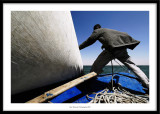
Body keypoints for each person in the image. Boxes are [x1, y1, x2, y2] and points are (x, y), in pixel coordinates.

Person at [79, 24, 149, 90]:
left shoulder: (97, 30)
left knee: (96, 65)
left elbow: (90, 40)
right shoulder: (108, 30)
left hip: (111, 50)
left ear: (96, 29)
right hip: (122, 49)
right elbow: (112, 38)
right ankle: (148, 84)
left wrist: (78, 48)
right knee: (133, 66)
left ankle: (91, 79)